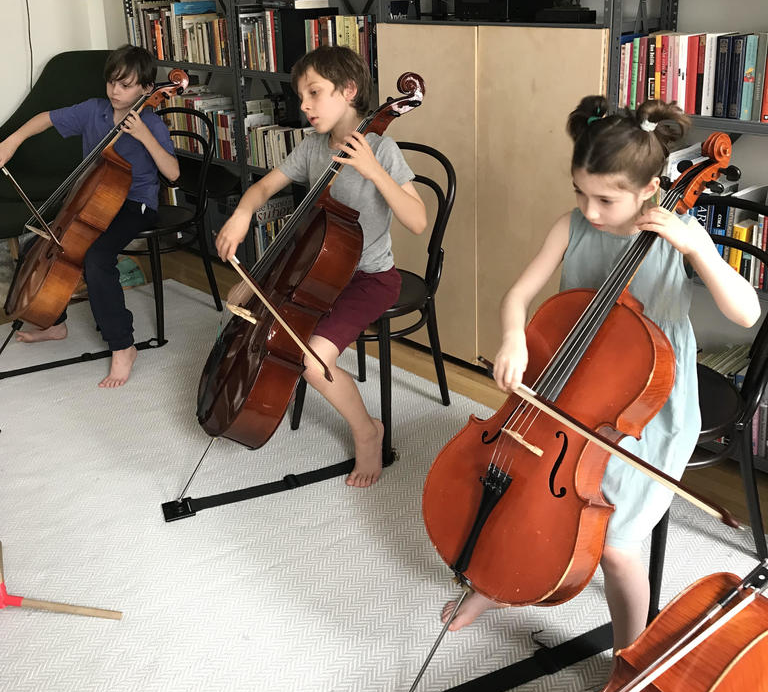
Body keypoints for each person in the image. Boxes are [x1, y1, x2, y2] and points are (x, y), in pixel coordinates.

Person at [442, 94, 760, 650]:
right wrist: (514, 337)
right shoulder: (572, 226)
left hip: (649, 410)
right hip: (569, 388)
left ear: (650, 189)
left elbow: (748, 313)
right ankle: (497, 582)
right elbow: (517, 296)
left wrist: (699, 249)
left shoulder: (676, 234)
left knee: (614, 546)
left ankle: (628, 657)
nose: (590, 211)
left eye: (606, 200)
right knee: (523, 487)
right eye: (580, 193)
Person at [215, 44, 427, 488]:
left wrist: (373, 170)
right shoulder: (312, 148)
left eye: (314, 93)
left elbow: (417, 220)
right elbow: (263, 188)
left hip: (370, 279)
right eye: (301, 97)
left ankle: (367, 431)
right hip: (315, 274)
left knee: (312, 361)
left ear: (348, 91)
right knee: (243, 304)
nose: (305, 106)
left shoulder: (382, 148)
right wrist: (242, 214)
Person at [0, 45, 179, 388]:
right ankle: (54, 323)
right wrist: (12, 141)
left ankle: (123, 346)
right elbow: (45, 118)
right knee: (41, 243)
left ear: (146, 89)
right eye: (112, 82)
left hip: (135, 204)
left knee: (97, 257)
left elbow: (172, 173)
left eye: (125, 85)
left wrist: (144, 136)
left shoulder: (151, 123)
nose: (115, 91)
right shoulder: (94, 110)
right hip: (91, 200)